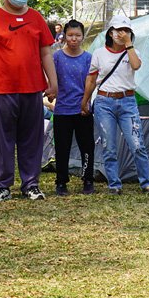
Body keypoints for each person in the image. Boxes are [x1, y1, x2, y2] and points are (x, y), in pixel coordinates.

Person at [0, 0, 57, 203]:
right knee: (2, 140)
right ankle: (1, 186)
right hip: (2, 90)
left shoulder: (36, 18)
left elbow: (46, 53)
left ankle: (31, 185)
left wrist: (53, 83)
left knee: (33, 139)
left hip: (32, 90)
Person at [81, 15, 149, 195]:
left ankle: (146, 183)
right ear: (110, 32)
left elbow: (136, 65)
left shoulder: (133, 51)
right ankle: (114, 185)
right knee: (109, 146)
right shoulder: (100, 53)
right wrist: (85, 101)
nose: (122, 33)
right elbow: (91, 79)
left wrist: (128, 44)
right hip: (104, 102)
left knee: (137, 143)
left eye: (126, 31)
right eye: (118, 30)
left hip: (128, 102)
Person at [52, 20, 95, 196]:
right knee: (62, 148)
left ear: (83, 36)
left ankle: (88, 180)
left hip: (83, 110)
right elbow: (52, 80)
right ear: (64, 36)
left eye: (77, 35)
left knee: (87, 147)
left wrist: (85, 104)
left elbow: (90, 83)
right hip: (62, 110)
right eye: (70, 35)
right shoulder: (56, 57)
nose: (74, 39)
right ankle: (61, 182)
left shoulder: (88, 58)